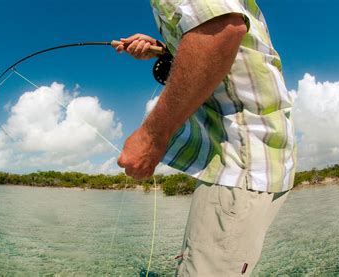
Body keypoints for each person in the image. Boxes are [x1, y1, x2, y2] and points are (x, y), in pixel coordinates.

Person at [116, 0, 296, 276]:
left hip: (239, 160)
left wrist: (152, 137)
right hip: (256, 159)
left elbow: (221, 31)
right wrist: (162, 50)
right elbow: (219, 33)